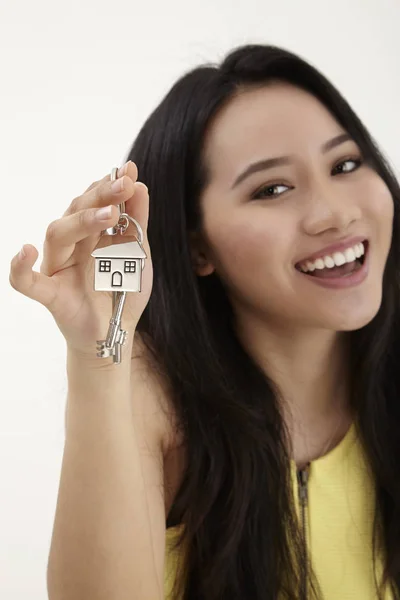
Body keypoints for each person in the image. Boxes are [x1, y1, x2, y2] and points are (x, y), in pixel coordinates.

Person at [9, 43, 400, 600]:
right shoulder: (156, 398)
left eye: (345, 164)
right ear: (196, 248)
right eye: (273, 189)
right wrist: (100, 355)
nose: (336, 213)